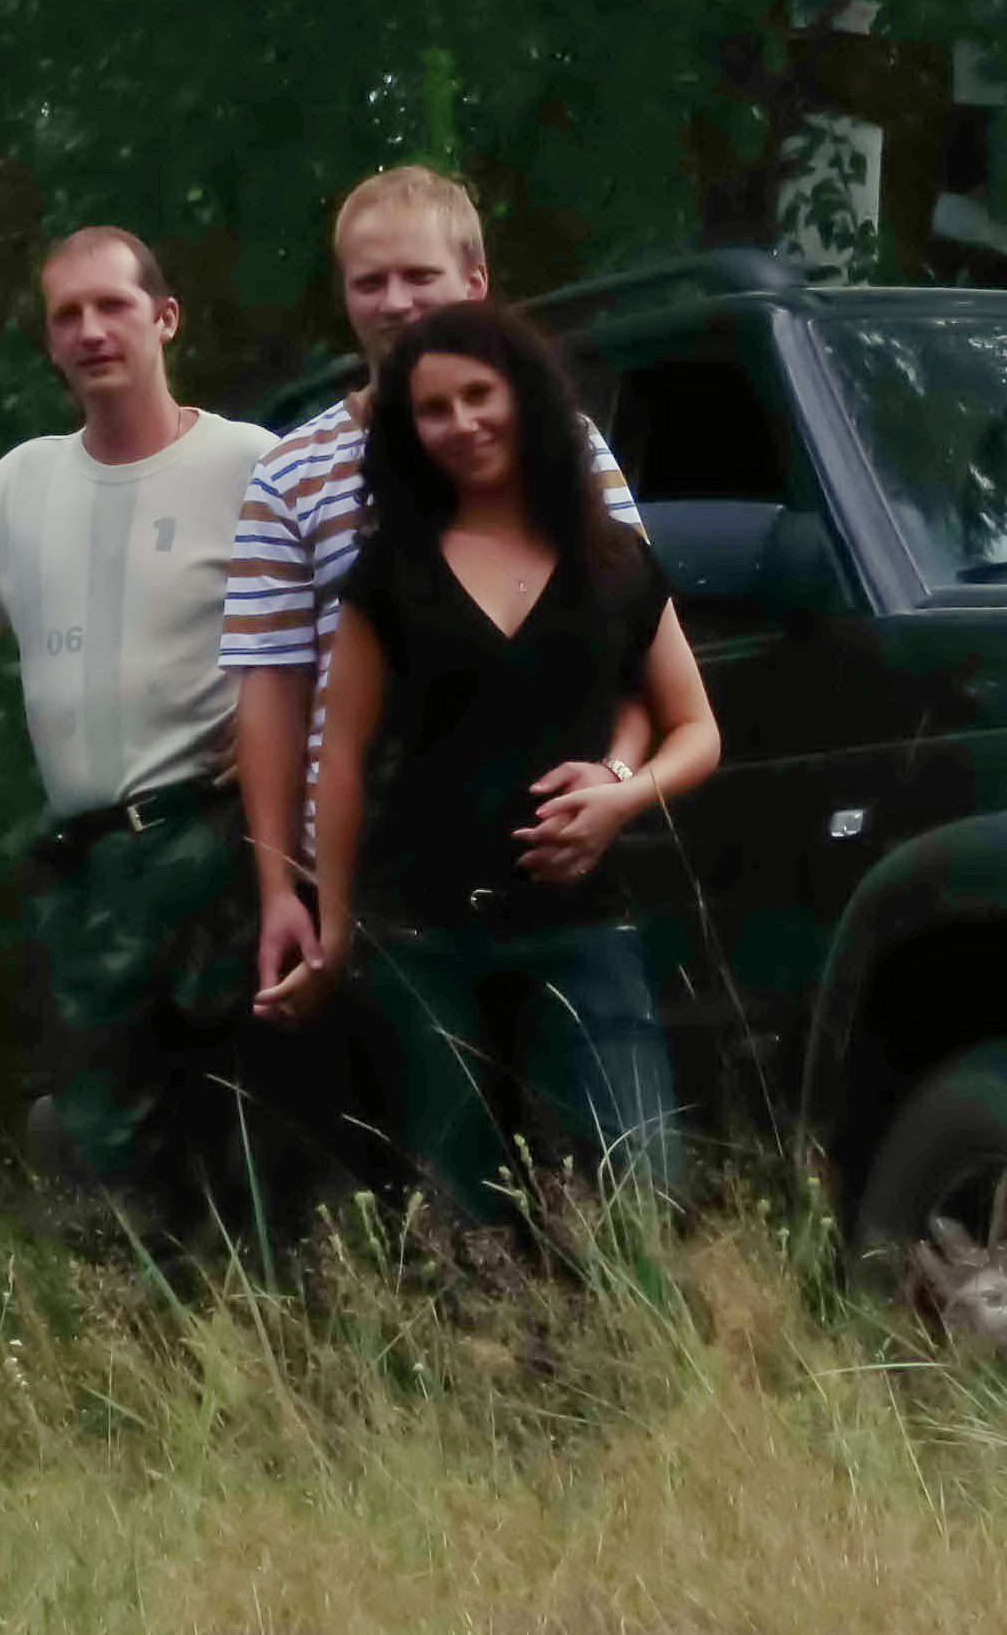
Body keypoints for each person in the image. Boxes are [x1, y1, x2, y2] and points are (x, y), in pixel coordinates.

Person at [284, 303, 721, 1224]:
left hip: (585, 926)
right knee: (459, 1222)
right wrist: (334, 926)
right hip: (425, 938)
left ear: (525, 396)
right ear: (409, 430)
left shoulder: (613, 559)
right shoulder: (387, 572)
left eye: (479, 395)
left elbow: (696, 728)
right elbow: (342, 758)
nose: (462, 422)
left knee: (636, 1198)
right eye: (433, 408)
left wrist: (620, 794)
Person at [0, 227, 290, 1236]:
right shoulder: (20, 483)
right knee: (109, 1173)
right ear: (49, 342)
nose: (89, 331)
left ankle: (283, 1334)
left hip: (223, 849)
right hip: (88, 874)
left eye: (111, 306)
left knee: (255, 1147)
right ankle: (152, 1339)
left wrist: (304, 721)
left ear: (163, 317)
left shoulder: (251, 462)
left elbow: (363, 619)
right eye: (66, 315)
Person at [223, 165, 643, 1016]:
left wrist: (616, 775)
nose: (395, 302)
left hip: (561, 868)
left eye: (419, 275)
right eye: (369, 281)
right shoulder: (289, 473)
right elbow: (270, 694)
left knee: (610, 1106)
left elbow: (634, 647)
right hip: (375, 890)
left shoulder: (564, 445)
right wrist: (280, 888)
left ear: (475, 281)